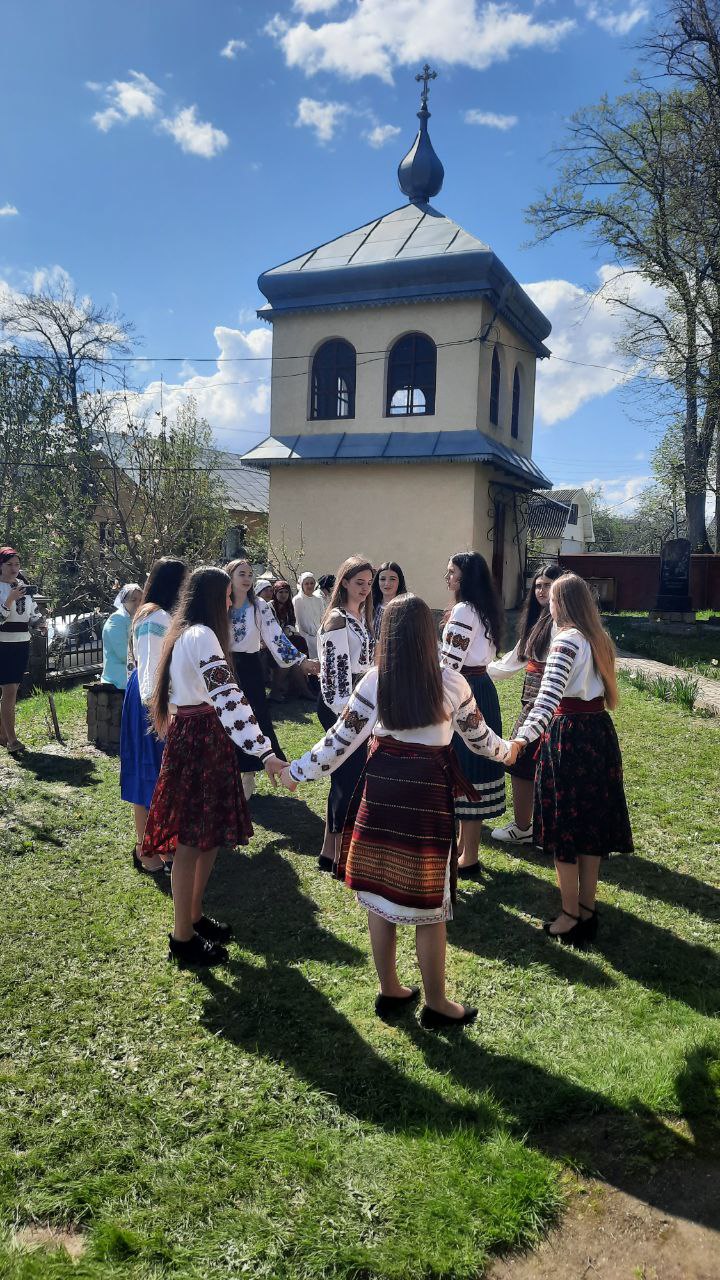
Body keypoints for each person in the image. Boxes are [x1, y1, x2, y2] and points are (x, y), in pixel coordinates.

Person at [274, 595, 512, 1028]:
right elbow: (481, 740)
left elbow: (338, 741)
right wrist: (508, 751)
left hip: (382, 791)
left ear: (387, 634)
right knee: (430, 905)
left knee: (379, 893)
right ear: (429, 633)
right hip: (427, 797)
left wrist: (296, 772)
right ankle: (436, 1004)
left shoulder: (374, 681)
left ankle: (390, 989)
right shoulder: (452, 683)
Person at [144, 566, 285, 967]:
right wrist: (264, 751)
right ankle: (182, 937)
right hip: (202, 737)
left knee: (205, 838)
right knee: (192, 841)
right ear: (211, 598)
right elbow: (228, 697)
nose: (230, 602)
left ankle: (193, 917)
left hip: (198, 735)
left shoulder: (184, 633)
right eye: (226, 595)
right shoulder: (202, 635)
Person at [509, 572, 633, 947]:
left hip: (570, 738)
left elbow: (546, 701)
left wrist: (520, 740)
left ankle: (570, 915)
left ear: (558, 603)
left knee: (566, 826)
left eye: (551, 597)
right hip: (598, 734)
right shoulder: (598, 638)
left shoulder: (565, 641)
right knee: (589, 826)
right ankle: (587, 909)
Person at [225, 559, 319, 798]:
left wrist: (300, 660)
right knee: (225, 719)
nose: (247, 578)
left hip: (249, 667)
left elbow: (276, 637)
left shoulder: (259, 607)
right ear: (229, 577)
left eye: (250, 574)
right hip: (224, 667)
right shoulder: (219, 605)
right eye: (242, 574)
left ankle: (248, 772)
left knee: (253, 717)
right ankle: (227, 772)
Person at [120, 557, 188, 874]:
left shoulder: (159, 614)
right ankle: (146, 850)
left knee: (159, 775)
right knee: (149, 773)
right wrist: (157, 710)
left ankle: (161, 846)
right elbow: (149, 667)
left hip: (156, 697)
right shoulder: (154, 616)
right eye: (184, 582)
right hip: (151, 701)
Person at [488, 563, 564, 845]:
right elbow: (511, 663)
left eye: (548, 586)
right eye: (538, 586)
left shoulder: (561, 625)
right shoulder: (538, 622)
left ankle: (527, 827)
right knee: (522, 763)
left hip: (549, 704)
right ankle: (527, 826)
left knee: (527, 761)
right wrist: (477, 670)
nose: (541, 591)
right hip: (533, 702)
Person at [440, 552, 505, 879]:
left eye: (452, 572)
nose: (448, 578)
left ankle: (468, 855)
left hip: (463, 690)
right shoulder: (483, 608)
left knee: (465, 768)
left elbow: (449, 664)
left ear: (466, 577)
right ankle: (466, 850)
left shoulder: (465, 610)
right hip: (480, 687)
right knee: (472, 767)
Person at [316, 555, 375, 871]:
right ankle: (340, 853)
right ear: (345, 583)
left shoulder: (358, 616)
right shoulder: (337, 619)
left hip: (358, 703)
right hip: (341, 705)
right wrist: (347, 717)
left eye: (368, 583)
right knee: (347, 778)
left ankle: (330, 851)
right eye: (359, 582)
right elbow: (334, 674)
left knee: (346, 776)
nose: (365, 588)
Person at [0, 547, 46, 755]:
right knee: (9, 691)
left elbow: (32, 613)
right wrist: (9, 599)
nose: (14, 568)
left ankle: (3, 735)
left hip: (21, 644)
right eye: (9, 564)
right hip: (3, 644)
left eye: (17, 564)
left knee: (10, 691)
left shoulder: (23, 587)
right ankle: (12, 740)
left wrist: (40, 624)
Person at [267, 579, 316, 702]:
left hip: (285, 643)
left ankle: (303, 691)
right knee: (288, 661)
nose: (283, 595)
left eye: (286, 592)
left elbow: (292, 622)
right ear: (275, 593)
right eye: (280, 592)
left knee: (294, 662)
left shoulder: (289, 606)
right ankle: (278, 692)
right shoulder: (270, 607)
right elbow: (270, 628)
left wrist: (288, 629)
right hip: (271, 645)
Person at [101, 583, 142, 690]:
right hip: (118, 676)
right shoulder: (116, 620)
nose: (138, 603)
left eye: (140, 600)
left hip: (132, 671)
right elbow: (123, 654)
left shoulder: (136, 619)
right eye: (133, 600)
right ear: (124, 601)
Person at [371, 561, 407, 642]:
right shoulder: (371, 606)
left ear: (399, 581)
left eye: (392, 579)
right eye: (383, 579)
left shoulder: (406, 608)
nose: (387, 583)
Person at [292, 572, 324, 660]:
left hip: (319, 635)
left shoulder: (319, 599)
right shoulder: (297, 600)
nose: (309, 586)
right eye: (306, 583)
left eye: (311, 583)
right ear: (302, 585)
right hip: (304, 636)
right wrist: (310, 636)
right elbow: (298, 621)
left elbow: (322, 617)